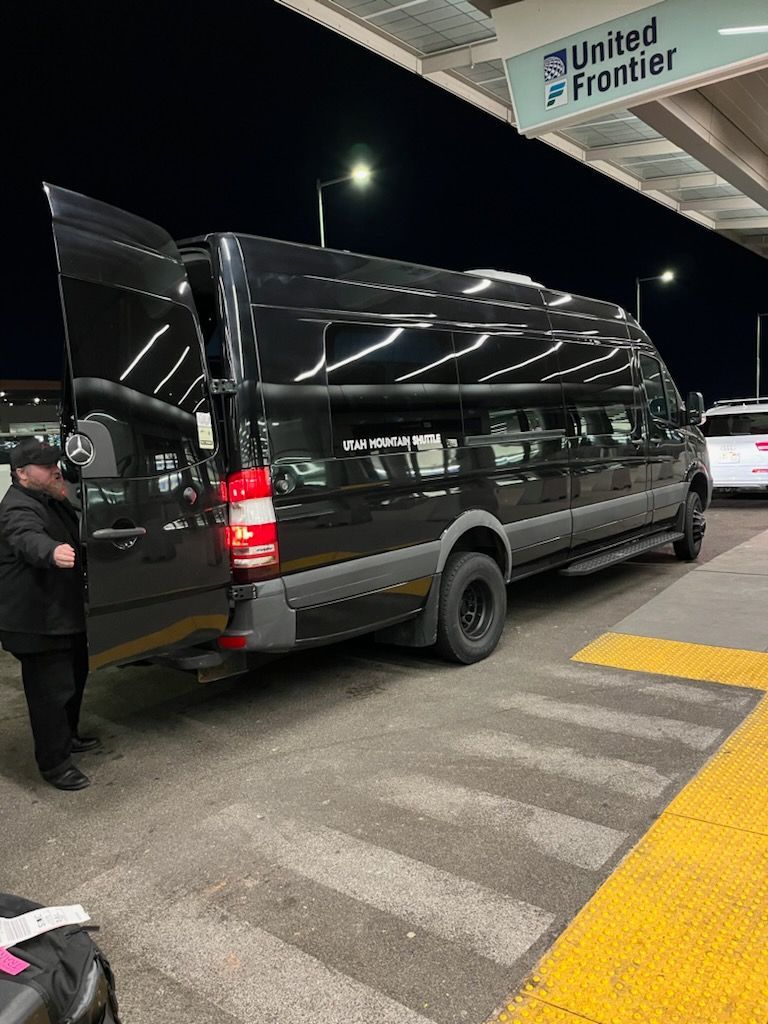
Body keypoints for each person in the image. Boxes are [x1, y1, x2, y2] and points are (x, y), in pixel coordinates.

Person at [0, 438, 99, 790]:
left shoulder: (52, 499)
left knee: (73, 680)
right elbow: (24, 537)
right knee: (49, 695)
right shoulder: (16, 506)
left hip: (62, 615)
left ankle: (67, 737)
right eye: (47, 466)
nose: (56, 469)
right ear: (22, 474)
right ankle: (54, 765)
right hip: (36, 623)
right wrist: (52, 551)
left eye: (55, 463)